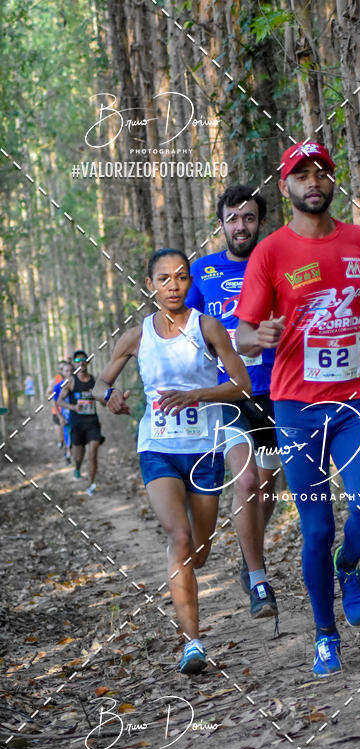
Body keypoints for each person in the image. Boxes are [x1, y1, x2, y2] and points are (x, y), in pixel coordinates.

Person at [236, 141, 360, 678]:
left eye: (321, 173)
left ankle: (349, 565)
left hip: (355, 401)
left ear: (332, 182)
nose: (313, 181)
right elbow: (241, 335)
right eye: (300, 174)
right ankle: (325, 635)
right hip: (295, 410)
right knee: (316, 527)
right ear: (285, 187)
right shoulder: (271, 252)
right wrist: (257, 335)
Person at [93, 249, 251, 674]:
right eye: (164, 279)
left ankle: (194, 568)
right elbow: (100, 383)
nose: (174, 285)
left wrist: (197, 395)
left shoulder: (209, 327)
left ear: (189, 282)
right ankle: (192, 644)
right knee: (178, 539)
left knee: (198, 552)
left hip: (204, 449)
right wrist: (112, 396)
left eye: (181, 277)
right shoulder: (138, 335)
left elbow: (243, 384)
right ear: (151, 285)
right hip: (158, 448)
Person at [186, 185, 279, 620]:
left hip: (277, 390)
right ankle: (260, 581)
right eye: (233, 218)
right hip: (228, 394)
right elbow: (185, 328)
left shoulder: (277, 261)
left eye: (249, 218)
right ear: (220, 223)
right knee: (244, 483)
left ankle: (249, 554)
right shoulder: (202, 271)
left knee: (265, 487)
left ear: (260, 223)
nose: (241, 226)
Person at [59, 351, 103, 495]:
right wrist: (73, 407)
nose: (81, 362)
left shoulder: (93, 380)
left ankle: (92, 484)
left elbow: (102, 402)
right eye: (78, 360)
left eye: (84, 360)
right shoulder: (71, 381)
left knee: (93, 452)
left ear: (87, 363)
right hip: (77, 424)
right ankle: (77, 467)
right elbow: (59, 400)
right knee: (79, 455)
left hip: (92, 423)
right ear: (75, 363)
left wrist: (104, 398)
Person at [55, 361, 74, 463]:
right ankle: (68, 454)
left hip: (77, 415)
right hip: (66, 416)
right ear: (62, 372)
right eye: (66, 371)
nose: (69, 373)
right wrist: (60, 417)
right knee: (68, 435)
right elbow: (55, 403)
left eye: (71, 370)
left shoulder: (77, 384)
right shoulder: (58, 386)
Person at [47, 362, 67, 449]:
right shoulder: (55, 380)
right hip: (57, 409)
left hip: (69, 409)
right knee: (60, 430)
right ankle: (61, 442)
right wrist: (55, 396)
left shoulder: (71, 378)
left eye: (64, 368)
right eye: (60, 368)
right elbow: (48, 394)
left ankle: (69, 451)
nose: (62, 370)